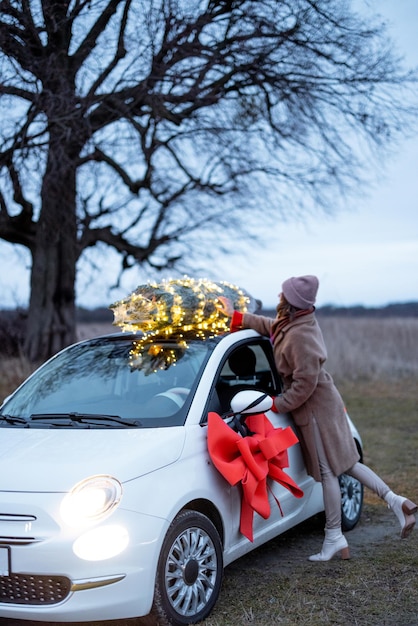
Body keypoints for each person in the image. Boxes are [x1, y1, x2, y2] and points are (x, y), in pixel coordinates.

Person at [218, 275, 417, 561]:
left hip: (314, 408)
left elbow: (304, 384)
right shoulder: (292, 322)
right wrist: (236, 317)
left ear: (292, 303)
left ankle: (334, 537)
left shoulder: (302, 336)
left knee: (329, 472)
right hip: (322, 401)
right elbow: (270, 327)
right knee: (347, 462)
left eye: (283, 294)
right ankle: (396, 501)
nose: (279, 295)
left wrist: (277, 403)